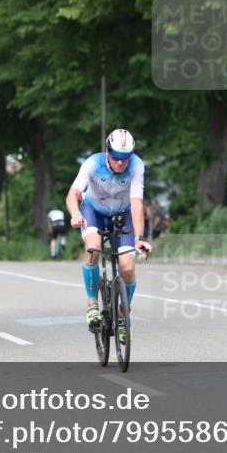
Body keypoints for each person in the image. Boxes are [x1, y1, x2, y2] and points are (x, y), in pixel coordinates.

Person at [66, 128, 152, 337]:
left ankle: (123, 315)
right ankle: (92, 304)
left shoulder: (136, 166)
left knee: (128, 268)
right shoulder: (92, 163)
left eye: (125, 158)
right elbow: (73, 194)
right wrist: (76, 213)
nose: (121, 163)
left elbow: (137, 203)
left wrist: (139, 238)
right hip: (93, 210)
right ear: (107, 152)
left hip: (123, 214)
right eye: (116, 157)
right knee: (94, 248)